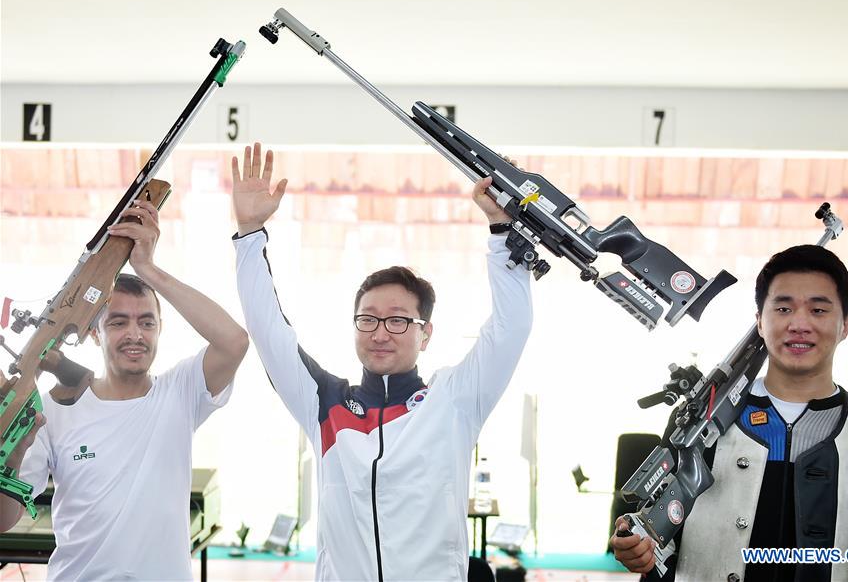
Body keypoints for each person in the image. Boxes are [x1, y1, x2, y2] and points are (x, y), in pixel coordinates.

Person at [231, 143, 533, 581]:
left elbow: (511, 328)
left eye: (397, 320)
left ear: (425, 333)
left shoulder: (453, 401)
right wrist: (249, 233)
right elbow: (269, 331)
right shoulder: (324, 404)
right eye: (368, 319)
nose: (379, 333)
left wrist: (503, 230)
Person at [610, 244, 848, 581]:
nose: (799, 324)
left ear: (845, 325)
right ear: (759, 322)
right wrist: (639, 546)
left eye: (819, 310)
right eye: (783, 308)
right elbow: (660, 545)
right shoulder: (699, 420)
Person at [0, 199, 249, 580]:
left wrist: (148, 268)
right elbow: (4, 518)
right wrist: (11, 455)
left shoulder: (179, 393)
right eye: (118, 322)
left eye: (146, 322)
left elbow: (234, 341)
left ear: (159, 329)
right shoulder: (52, 409)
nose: (134, 334)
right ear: (95, 333)